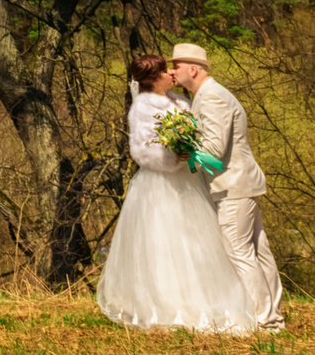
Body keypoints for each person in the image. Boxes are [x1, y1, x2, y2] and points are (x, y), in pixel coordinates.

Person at [94, 51, 257, 334]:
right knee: (165, 241)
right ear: (153, 79)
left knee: (197, 240)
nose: (170, 73)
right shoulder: (142, 108)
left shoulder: (182, 102)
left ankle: (205, 300)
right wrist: (172, 156)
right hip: (159, 185)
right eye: (163, 71)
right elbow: (142, 150)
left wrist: (189, 150)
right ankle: (169, 305)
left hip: (189, 182)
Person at [169, 41, 286, 334]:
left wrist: (184, 153)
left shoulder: (212, 98)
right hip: (240, 183)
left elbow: (214, 150)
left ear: (192, 69)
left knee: (239, 251)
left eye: (176, 66)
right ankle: (273, 318)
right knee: (258, 252)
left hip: (233, 185)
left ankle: (265, 321)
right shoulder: (208, 95)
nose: (172, 71)